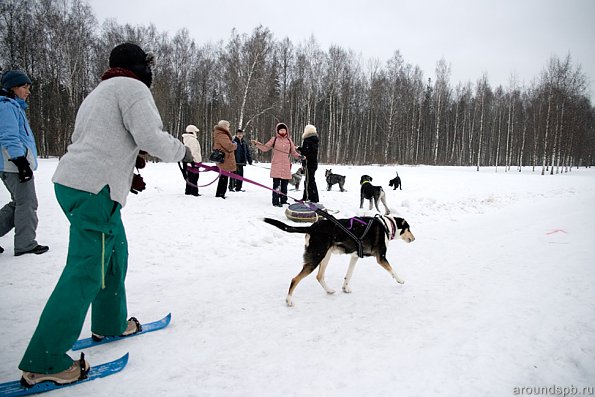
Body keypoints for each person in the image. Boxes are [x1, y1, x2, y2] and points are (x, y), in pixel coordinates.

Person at [17, 43, 193, 387]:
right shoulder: (133, 88)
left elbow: (100, 138)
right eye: (148, 65)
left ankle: (109, 323)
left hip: (85, 185)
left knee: (115, 254)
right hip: (93, 190)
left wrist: (127, 170)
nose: (150, 72)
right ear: (138, 67)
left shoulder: (102, 91)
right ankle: (45, 359)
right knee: (85, 271)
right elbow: (149, 135)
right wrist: (184, 151)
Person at [0, 70, 49, 256]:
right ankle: (25, 244)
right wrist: (20, 162)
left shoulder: (14, 107)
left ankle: (24, 241)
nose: (28, 91)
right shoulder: (6, 107)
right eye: (24, 87)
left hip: (12, 164)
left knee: (20, 202)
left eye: (29, 87)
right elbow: (9, 137)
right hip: (12, 164)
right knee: (27, 203)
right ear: (12, 88)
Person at [251, 123, 301, 207]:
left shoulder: (289, 140)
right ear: (278, 131)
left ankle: (284, 201)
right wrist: (257, 144)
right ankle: (275, 201)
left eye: (284, 130)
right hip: (276, 164)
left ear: (286, 131)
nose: (282, 131)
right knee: (276, 185)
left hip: (286, 165)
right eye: (280, 130)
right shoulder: (274, 139)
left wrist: (300, 156)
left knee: (284, 185)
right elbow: (265, 148)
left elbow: (293, 152)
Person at [212, 120, 237, 198]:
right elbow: (229, 146)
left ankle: (221, 193)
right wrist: (234, 145)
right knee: (224, 177)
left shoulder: (220, 134)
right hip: (225, 159)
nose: (229, 128)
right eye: (228, 126)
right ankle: (220, 194)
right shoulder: (222, 135)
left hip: (224, 158)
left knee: (224, 177)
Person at [297, 124, 320, 203]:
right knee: (310, 180)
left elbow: (306, 152)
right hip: (313, 163)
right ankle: (313, 197)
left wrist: (299, 148)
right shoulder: (315, 140)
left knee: (308, 181)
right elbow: (312, 152)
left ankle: (308, 197)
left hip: (309, 163)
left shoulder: (308, 140)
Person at [182, 124, 202, 196]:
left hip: (188, 161)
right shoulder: (193, 140)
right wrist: (195, 161)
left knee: (189, 177)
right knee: (194, 177)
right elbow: (194, 151)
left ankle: (188, 190)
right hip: (194, 161)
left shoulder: (186, 139)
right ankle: (194, 192)